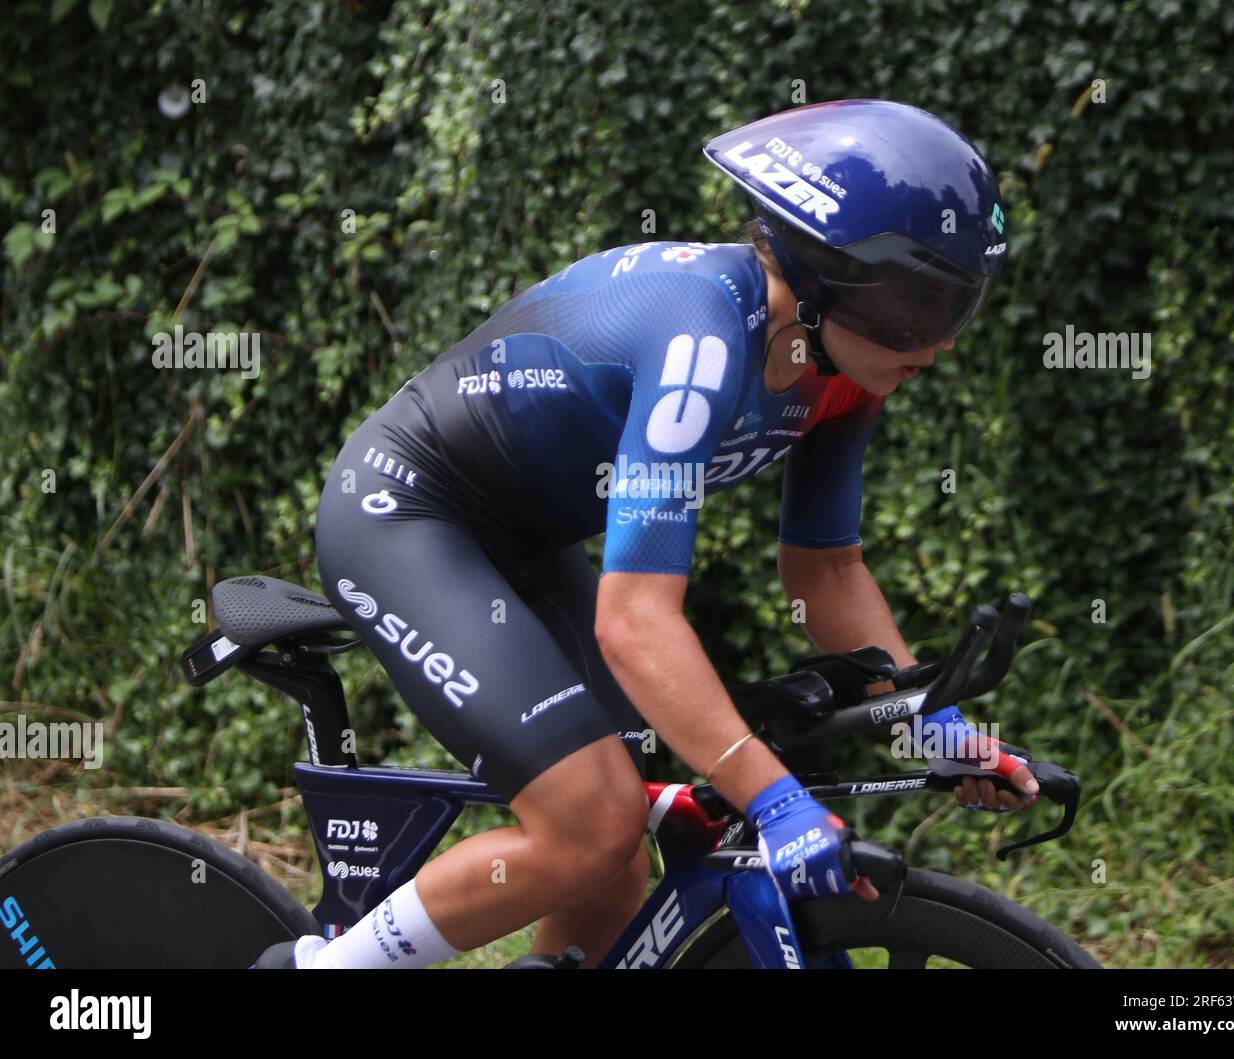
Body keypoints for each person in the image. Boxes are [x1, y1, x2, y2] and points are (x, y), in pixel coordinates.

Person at [260, 99, 1037, 970]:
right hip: (405, 513)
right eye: (917, 306)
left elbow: (824, 571)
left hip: (526, 541)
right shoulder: (702, 335)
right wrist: (774, 799)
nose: (937, 345)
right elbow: (635, 622)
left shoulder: (844, 369)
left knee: (615, 850)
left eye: (957, 307)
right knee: (591, 819)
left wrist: (933, 728)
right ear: (826, 275)